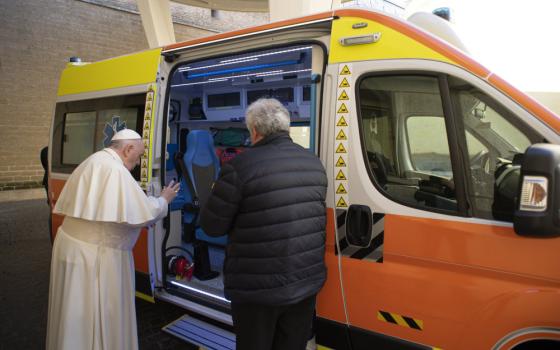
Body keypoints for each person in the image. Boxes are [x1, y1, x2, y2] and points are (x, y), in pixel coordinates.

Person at [200, 98, 328, 350]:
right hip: (303, 283)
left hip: (257, 290)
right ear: (286, 128)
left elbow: (212, 226)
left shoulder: (239, 167)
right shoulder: (313, 162)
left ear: (254, 131)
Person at [46, 129, 180, 350]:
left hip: (74, 248)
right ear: (127, 149)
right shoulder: (115, 170)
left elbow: (116, 212)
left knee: (73, 313)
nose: (138, 163)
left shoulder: (95, 160)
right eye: (138, 156)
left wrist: (141, 216)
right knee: (94, 315)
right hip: (95, 257)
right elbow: (143, 211)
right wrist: (164, 199)